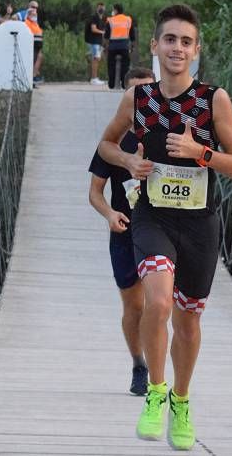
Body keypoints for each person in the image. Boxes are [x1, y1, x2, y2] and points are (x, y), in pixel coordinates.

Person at [97, 4, 232, 450]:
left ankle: (181, 400)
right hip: (153, 216)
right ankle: (156, 393)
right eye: (170, 40)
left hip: (200, 224)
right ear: (155, 46)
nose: (177, 48)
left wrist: (200, 152)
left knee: (187, 322)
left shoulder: (214, 100)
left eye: (186, 41)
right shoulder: (137, 99)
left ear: (196, 50)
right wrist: (129, 160)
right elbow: (106, 145)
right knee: (158, 302)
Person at [87, 66, 157, 397]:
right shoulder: (114, 142)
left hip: (160, 229)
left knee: (159, 303)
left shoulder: (168, 134)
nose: (141, 99)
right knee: (135, 305)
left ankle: (158, 374)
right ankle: (138, 364)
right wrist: (109, 213)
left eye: (147, 91)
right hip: (125, 229)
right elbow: (94, 193)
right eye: (134, 92)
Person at [105, 3, 136, 90]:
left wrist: (105, 47)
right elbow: (132, 35)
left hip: (113, 47)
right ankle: (124, 84)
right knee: (125, 65)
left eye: (113, 10)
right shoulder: (128, 20)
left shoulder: (110, 20)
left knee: (111, 64)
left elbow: (106, 36)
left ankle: (111, 83)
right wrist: (132, 47)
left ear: (116, 10)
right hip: (124, 46)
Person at [84, 2, 107, 85]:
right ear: (96, 8)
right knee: (95, 59)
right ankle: (94, 78)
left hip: (98, 42)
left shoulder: (102, 18)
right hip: (93, 41)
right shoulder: (94, 17)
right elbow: (93, 29)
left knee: (97, 59)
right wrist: (103, 32)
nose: (101, 9)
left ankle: (94, 77)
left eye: (103, 7)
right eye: (100, 7)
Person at [23, 0, 43, 84]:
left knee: (39, 58)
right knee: (32, 60)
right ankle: (31, 78)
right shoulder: (25, 17)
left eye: (36, 7)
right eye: (33, 7)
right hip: (31, 43)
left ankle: (34, 77)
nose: (34, 9)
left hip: (38, 43)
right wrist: (27, 13)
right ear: (29, 7)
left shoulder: (35, 20)